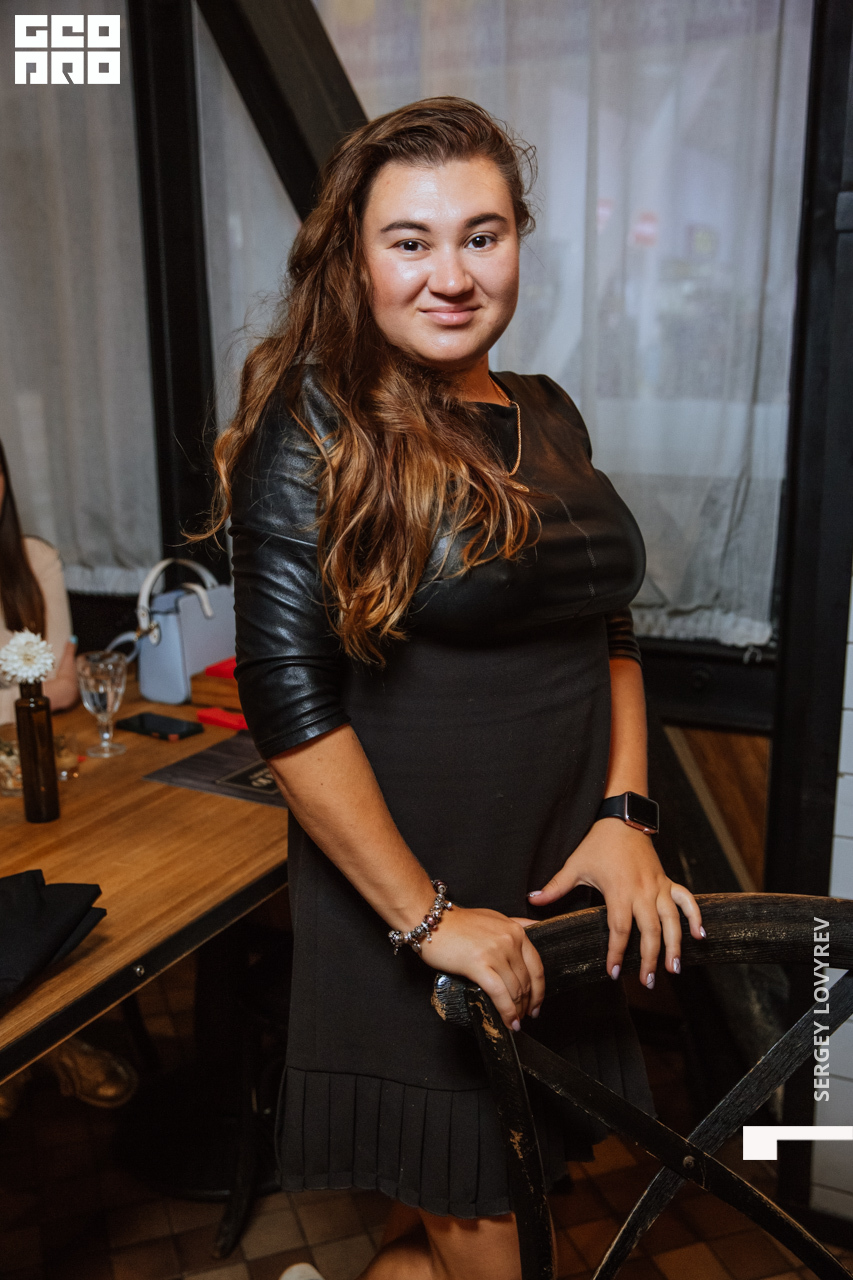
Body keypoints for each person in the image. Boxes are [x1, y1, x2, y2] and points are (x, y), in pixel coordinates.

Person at [217, 98, 704, 1280]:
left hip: (546, 871)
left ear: (518, 240)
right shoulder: (317, 421)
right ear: (355, 258)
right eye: (411, 241)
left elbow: (606, 626)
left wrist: (624, 814)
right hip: (409, 896)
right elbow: (286, 701)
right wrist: (429, 919)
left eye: (481, 235)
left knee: (443, 1209)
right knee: (487, 1221)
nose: (451, 274)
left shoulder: (547, 409)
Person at [0, 440, 137, 1116]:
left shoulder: (35, 561)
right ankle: (42, 1047)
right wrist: (19, 688)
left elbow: (60, 687)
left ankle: (49, 1039)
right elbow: (41, 682)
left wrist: (28, 692)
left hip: (34, 761)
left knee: (88, 866)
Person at [0, 439, 77, 722]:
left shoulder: (37, 559)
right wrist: (54, 692)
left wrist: (57, 688)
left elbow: (52, 672)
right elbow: (57, 689)